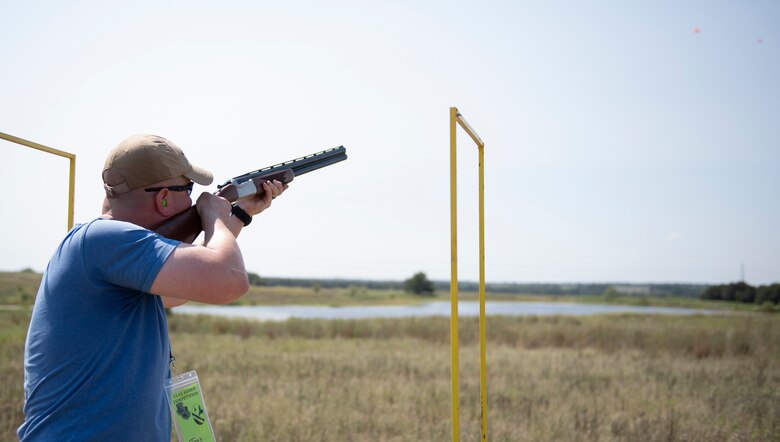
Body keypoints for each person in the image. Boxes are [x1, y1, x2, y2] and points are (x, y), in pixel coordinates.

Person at [18, 134, 286, 441]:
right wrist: (213, 215)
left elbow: (182, 290)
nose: (195, 200)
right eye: (189, 190)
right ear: (162, 199)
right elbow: (230, 281)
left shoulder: (107, 249)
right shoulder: (102, 239)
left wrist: (239, 214)